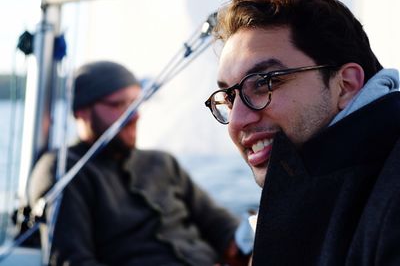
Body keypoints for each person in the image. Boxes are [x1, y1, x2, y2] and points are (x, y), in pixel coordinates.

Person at [204, 0, 400, 265]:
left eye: (264, 82)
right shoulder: (324, 184)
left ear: (345, 84)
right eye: (228, 99)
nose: (238, 121)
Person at [28, 61, 248, 266]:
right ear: (81, 111)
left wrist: (247, 246)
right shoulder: (65, 170)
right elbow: (71, 259)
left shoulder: (161, 162)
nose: (134, 116)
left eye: (136, 103)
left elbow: (219, 224)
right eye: (119, 104)